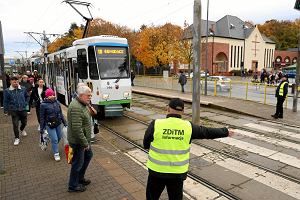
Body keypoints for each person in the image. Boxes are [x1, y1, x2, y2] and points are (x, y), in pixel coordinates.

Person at [143, 98, 234, 200]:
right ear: (182, 111)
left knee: (152, 197)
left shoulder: (156, 124)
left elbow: (145, 144)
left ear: (167, 109)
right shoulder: (188, 127)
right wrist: (225, 131)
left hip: (156, 172)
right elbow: (207, 132)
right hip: (177, 174)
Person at [67, 85, 93, 192]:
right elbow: (77, 129)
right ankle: (73, 185)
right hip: (78, 142)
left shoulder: (82, 104)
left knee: (88, 156)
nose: (90, 97)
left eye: (90, 95)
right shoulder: (76, 107)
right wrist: (85, 143)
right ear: (81, 95)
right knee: (77, 163)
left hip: (83, 140)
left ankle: (80, 178)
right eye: (88, 95)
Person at [40, 88, 67, 161]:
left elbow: (60, 113)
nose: (52, 96)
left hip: (58, 123)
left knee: (59, 137)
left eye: (53, 95)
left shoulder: (57, 102)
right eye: (50, 95)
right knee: (55, 139)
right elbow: (42, 117)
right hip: (49, 125)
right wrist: (42, 128)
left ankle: (53, 143)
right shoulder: (43, 105)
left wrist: (65, 122)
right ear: (47, 96)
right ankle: (56, 153)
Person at [3, 76, 30, 146]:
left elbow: (27, 96)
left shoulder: (23, 88)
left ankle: (22, 129)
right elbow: (5, 101)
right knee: (15, 125)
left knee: (24, 122)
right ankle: (17, 138)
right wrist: (6, 110)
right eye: (14, 82)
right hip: (14, 110)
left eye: (17, 82)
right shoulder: (7, 91)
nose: (16, 83)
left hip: (23, 109)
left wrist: (26, 104)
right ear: (11, 82)